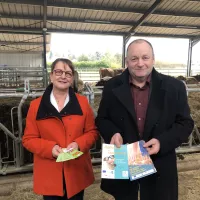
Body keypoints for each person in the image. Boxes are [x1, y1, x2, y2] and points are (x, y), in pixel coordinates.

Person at [95, 39, 194, 200]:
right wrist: (112, 133)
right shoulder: (111, 87)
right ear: (127, 61)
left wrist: (162, 142)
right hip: (123, 160)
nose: (140, 63)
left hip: (160, 163)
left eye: (145, 57)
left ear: (153, 59)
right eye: (134, 58)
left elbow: (185, 123)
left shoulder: (174, 87)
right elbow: (102, 119)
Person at [22, 58, 99, 200]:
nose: (63, 76)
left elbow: (92, 132)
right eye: (58, 72)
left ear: (72, 79)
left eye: (68, 73)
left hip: (76, 170)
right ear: (51, 76)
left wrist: (78, 144)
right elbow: (28, 139)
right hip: (49, 171)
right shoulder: (36, 105)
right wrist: (50, 148)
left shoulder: (82, 103)